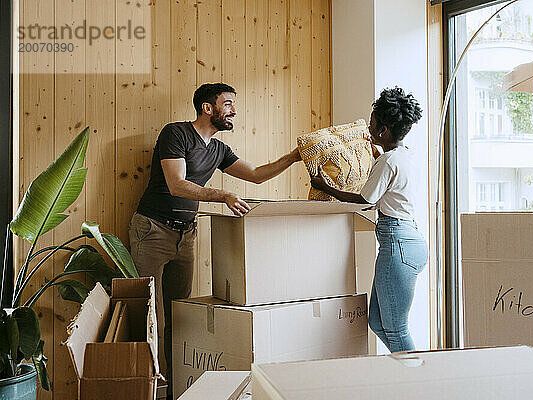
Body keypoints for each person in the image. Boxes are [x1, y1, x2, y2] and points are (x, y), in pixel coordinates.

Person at [128, 83, 302, 397]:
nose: (234, 110)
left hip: (187, 234)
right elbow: (177, 185)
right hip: (152, 230)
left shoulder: (219, 150)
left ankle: (171, 389)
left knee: (178, 315)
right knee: (152, 318)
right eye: (228, 104)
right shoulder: (176, 133)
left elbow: (257, 174)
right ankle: (147, 390)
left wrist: (294, 157)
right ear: (208, 108)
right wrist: (222, 195)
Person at [310, 86, 428, 352]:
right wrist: (378, 156)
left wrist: (324, 185)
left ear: (383, 131)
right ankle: (408, 369)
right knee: (376, 321)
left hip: (397, 243)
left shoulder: (387, 161)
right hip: (409, 241)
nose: (369, 129)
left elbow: (365, 201)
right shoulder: (404, 155)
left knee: (396, 329)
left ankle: (419, 381)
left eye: (373, 124)